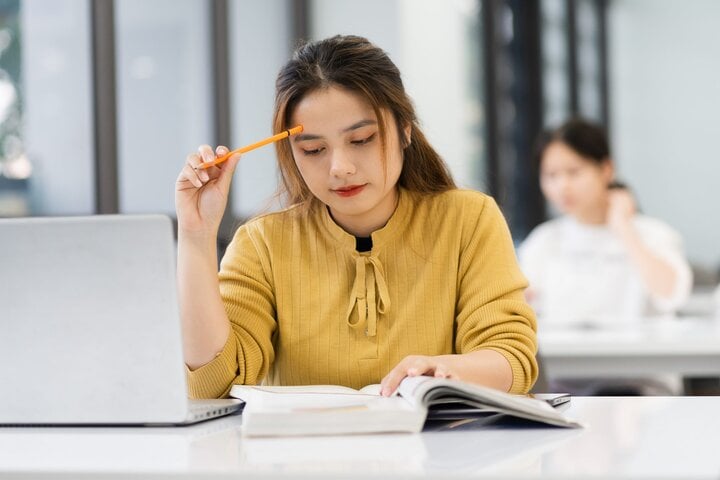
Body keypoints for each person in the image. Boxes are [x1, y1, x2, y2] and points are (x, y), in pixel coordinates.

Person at [175, 35, 538, 399]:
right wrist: (196, 236)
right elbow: (214, 385)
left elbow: (511, 358)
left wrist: (447, 371)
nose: (340, 168)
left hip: (438, 452)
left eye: (362, 139)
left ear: (405, 130)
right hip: (302, 455)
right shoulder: (262, 244)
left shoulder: (468, 220)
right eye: (314, 149)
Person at [519, 118, 692, 394]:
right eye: (551, 176)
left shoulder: (652, 234)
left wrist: (623, 227)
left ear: (606, 170)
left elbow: (672, 293)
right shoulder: (544, 241)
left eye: (574, 172)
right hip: (566, 385)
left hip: (642, 383)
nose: (562, 186)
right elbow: (521, 307)